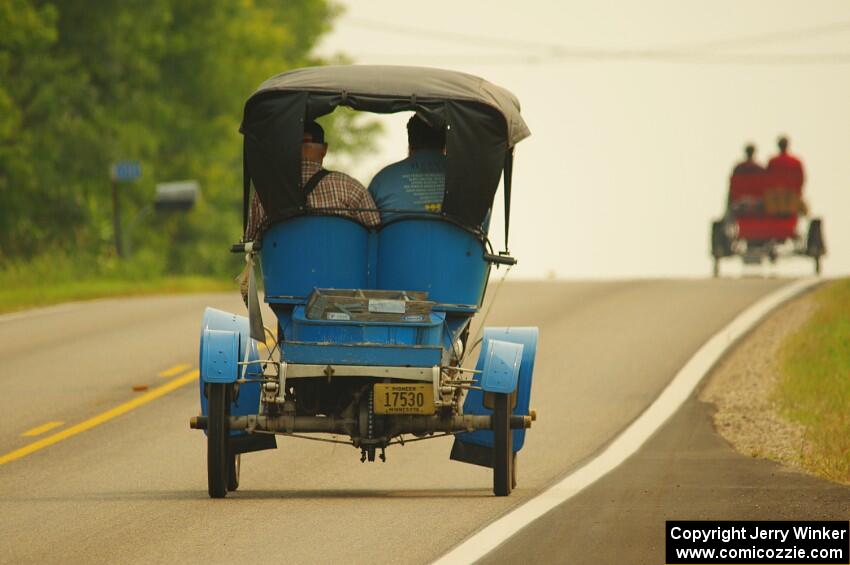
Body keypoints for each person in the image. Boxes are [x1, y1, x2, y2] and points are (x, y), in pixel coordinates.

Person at [244, 121, 379, 241]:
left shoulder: (267, 190)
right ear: (324, 149)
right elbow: (375, 232)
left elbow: (251, 240)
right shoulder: (350, 187)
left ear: (288, 148)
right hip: (340, 267)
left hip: (285, 267)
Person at [368, 114, 446, 223]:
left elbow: (369, 228)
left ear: (410, 145)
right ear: (445, 145)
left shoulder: (383, 180)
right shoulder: (466, 177)